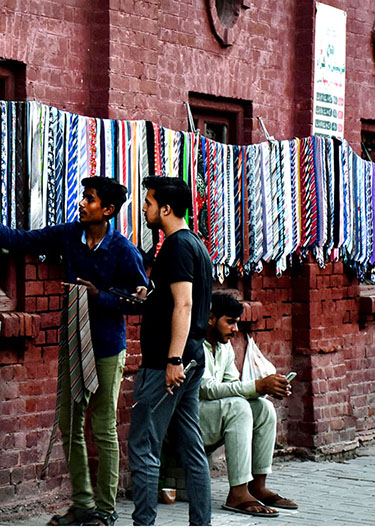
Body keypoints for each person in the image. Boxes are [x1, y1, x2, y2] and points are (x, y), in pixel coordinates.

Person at [0, 178, 148, 526]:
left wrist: (98, 296)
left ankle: (105, 510)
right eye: (83, 197)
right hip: (73, 342)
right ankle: (83, 505)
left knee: (102, 429)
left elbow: (139, 302)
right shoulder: (70, 235)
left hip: (106, 347)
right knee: (69, 424)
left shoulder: (124, 251)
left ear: (108, 210)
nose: (81, 204)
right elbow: (22, 240)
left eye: (89, 199)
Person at [128, 176, 212, 526]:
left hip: (170, 360)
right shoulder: (194, 243)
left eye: (148, 203)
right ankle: (201, 523)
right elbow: (175, 300)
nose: (144, 209)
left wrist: (172, 360)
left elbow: (185, 305)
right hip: (191, 354)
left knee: (144, 444)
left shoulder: (177, 246)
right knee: (190, 446)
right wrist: (151, 297)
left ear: (165, 208)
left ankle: (143, 523)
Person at [200, 293, 297, 517]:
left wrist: (265, 389)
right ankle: (237, 493)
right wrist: (257, 386)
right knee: (239, 407)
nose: (235, 329)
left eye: (237, 323)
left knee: (263, 408)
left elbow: (232, 385)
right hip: (190, 419)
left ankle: (257, 485)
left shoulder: (224, 347)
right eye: (230, 322)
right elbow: (207, 389)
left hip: (213, 413)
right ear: (211, 319)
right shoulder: (194, 344)